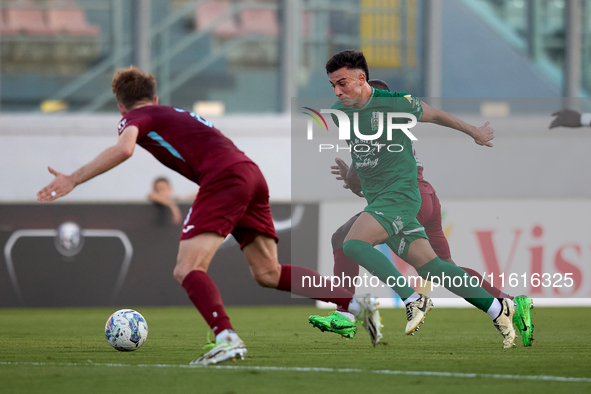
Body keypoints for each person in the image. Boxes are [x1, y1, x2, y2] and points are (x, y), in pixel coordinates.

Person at [36, 66, 383, 365]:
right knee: (267, 272)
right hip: (250, 173)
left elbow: (125, 148)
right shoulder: (174, 113)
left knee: (187, 268)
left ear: (120, 106)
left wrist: (73, 178)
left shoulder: (136, 117)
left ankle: (226, 337)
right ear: (155, 98)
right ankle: (352, 301)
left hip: (224, 178)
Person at [309, 79, 534, 347]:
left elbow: (359, 183)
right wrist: (474, 131)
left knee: (348, 241)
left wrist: (349, 176)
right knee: (442, 268)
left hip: (402, 202)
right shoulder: (394, 124)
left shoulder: (367, 128)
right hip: (427, 196)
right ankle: (507, 302)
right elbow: (435, 115)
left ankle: (347, 311)